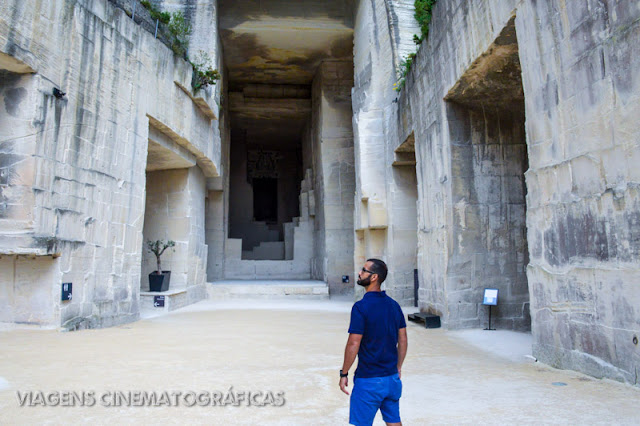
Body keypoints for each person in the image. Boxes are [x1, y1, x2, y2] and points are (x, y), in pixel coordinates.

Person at [339, 258, 408, 426]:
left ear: (374, 277)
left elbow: (353, 344)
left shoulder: (361, 307)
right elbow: (403, 339)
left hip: (369, 380)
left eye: (364, 270)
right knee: (394, 421)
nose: (360, 273)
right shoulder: (394, 305)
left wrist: (344, 373)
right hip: (391, 379)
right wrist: (398, 367)